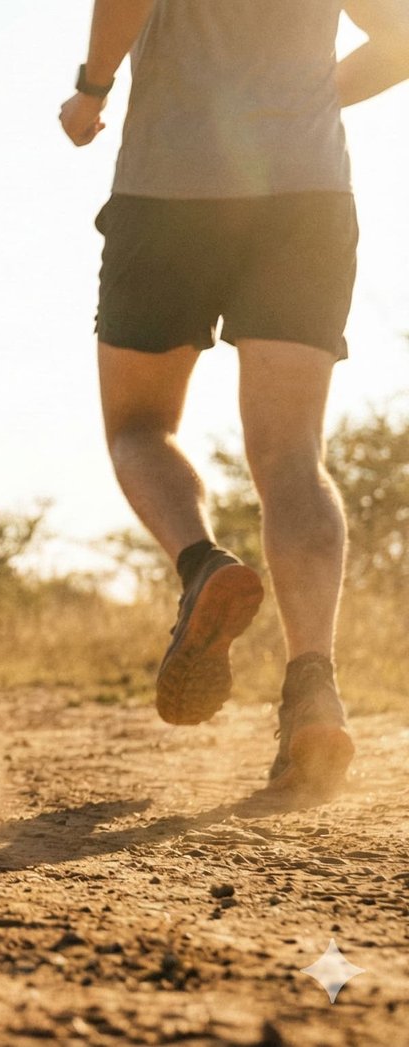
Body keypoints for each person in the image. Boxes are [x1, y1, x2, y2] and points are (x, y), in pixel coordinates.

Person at [60, 0, 409, 798]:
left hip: (170, 184)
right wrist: (309, 96)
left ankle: (201, 562)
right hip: (308, 194)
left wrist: (92, 88)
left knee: (139, 427)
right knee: (293, 454)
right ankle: (313, 683)